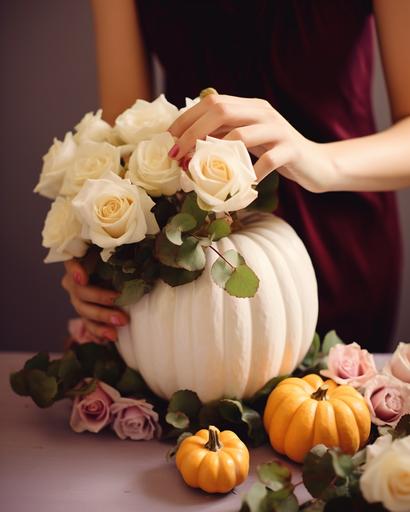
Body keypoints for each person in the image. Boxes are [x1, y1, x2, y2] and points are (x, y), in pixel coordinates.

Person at [62, 0, 410, 352]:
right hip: (190, 252)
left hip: (342, 243)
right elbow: (123, 132)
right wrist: (98, 247)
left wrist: (318, 160)